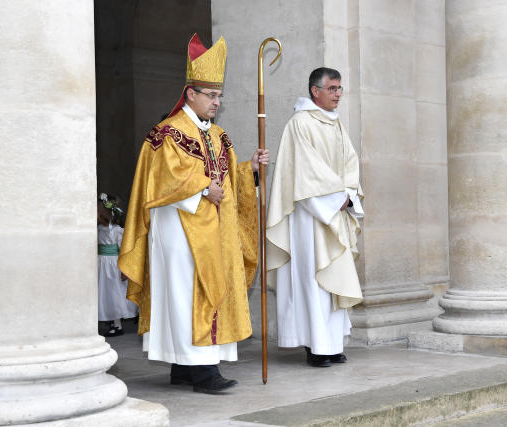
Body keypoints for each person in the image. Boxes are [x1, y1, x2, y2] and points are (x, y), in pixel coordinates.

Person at [118, 33, 269, 394]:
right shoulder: (167, 133)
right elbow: (160, 178)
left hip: (211, 228)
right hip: (179, 228)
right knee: (186, 293)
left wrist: (249, 171)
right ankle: (203, 371)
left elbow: (227, 177)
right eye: (212, 96)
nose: (218, 102)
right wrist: (201, 189)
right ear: (190, 94)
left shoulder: (218, 135)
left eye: (220, 96)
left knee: (192, 294)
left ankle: (183, 368)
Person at [266, 67, 364, 368]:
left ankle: (332, 344)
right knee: (313, 280)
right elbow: (306, 172)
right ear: (315, 91)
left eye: (339, 89)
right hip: (310, 216)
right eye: (332, 88)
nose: (337, 94)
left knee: (334, 276)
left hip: (334, 211)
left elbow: (351, 162)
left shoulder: (336, 125)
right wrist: (336, 197)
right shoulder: (300, 123)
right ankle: (315, 346)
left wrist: (348, 193)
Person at [97, 193, 138, 337]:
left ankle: (117, 324)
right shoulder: (98, 229)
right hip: (100, 264)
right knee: (104, 294)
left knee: (114, 293)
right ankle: (108, 319)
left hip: (112, 265)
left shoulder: (117, 231)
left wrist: (124, 269)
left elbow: (124, 251)